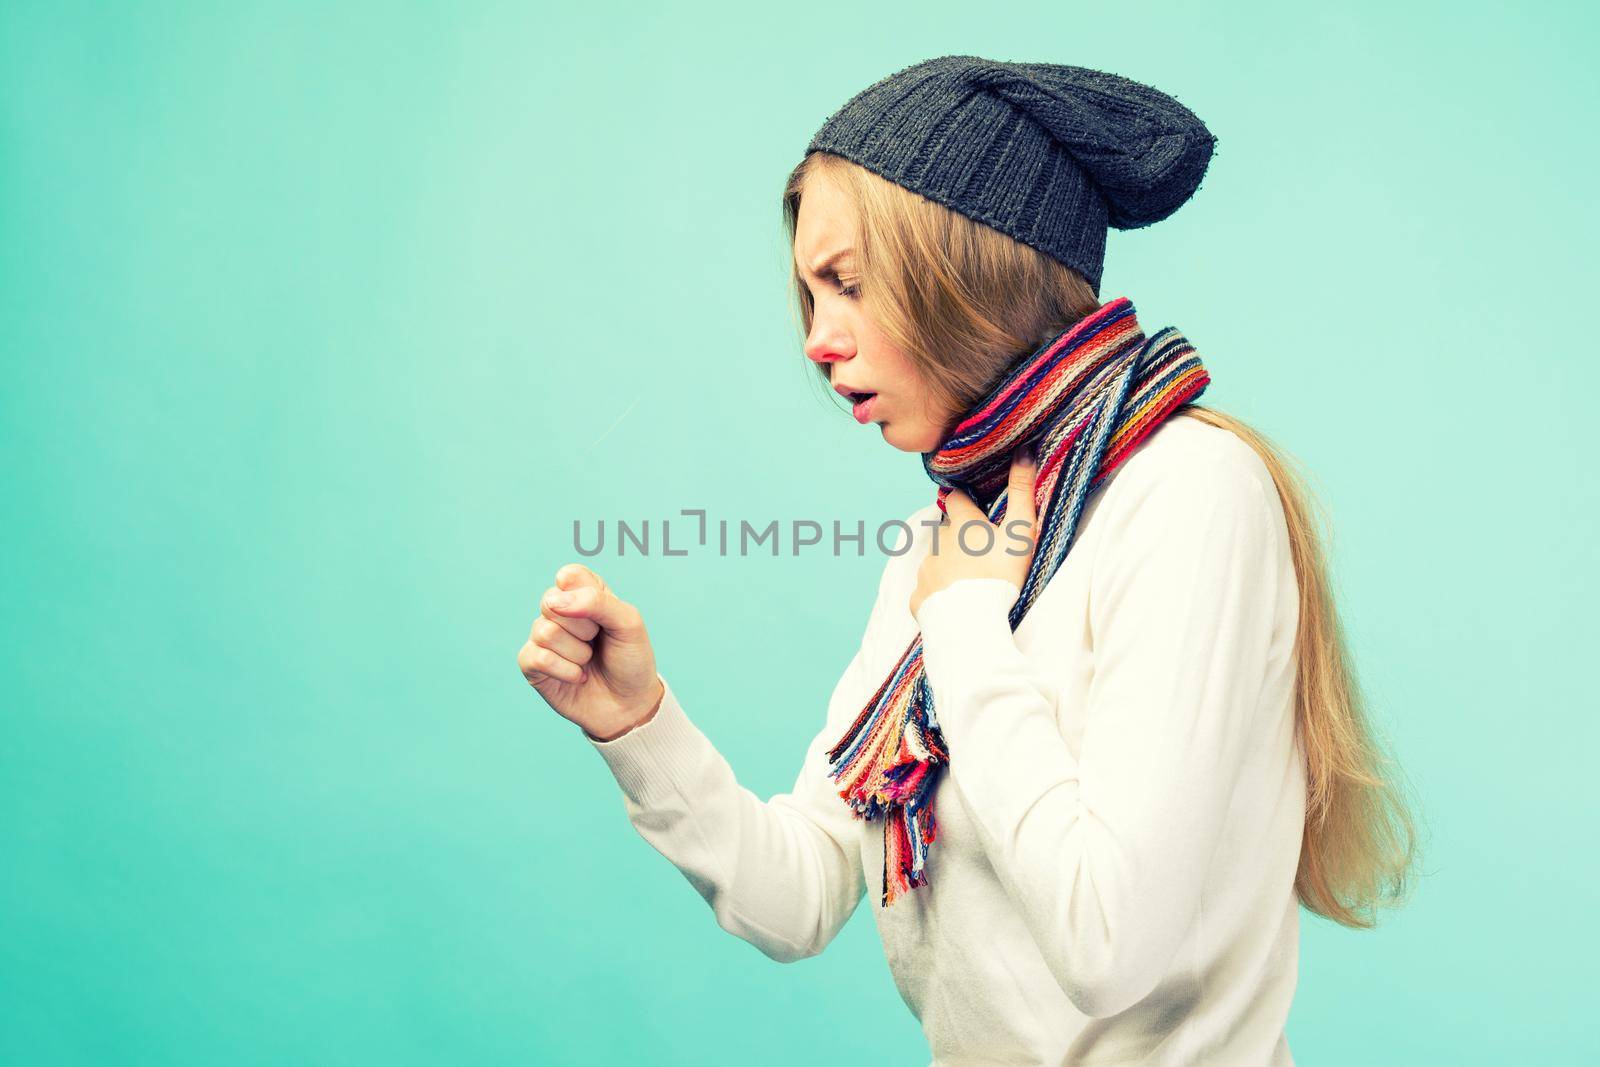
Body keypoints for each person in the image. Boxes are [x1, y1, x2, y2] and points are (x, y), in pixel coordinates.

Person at [517, 56, 1418, 1066]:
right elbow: (798, 894)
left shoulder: (1187, 493)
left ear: (971, 271)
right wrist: (639, 725)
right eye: (810, 295)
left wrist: (964, 624)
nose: (817, 339)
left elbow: (1106, 942)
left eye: (849, 285)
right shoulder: (953, 540)